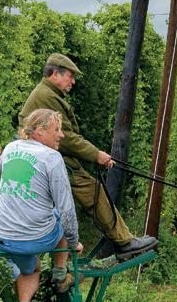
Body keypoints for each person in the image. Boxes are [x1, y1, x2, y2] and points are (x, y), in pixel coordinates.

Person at [18, 53, 157, 258]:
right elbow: (66, 138)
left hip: (46, 159)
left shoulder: (46, 93)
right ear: (55, 74)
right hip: (50, 161)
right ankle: (124, 243)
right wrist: (96, 155)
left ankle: (115, 243)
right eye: (70, 76)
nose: (73, 81)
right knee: (94, 192)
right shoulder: (46, 96)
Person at [0, 109, 82, 302]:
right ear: (40, 131)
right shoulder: (52, 158)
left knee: (31, 269)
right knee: (59, 215)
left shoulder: (10, 148)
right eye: (57, 129)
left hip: (4, 239)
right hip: (37, 240)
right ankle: (60, 274)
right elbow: (67, 211)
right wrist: (73, 244)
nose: (61, 135)